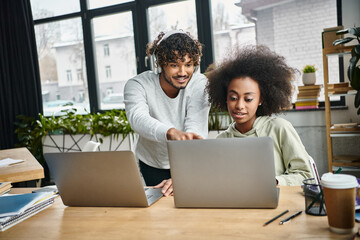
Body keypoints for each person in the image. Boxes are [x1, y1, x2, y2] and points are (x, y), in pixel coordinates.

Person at [206, 45, 312, 186]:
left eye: (248, 99)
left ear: (261, 99)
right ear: (225, 98)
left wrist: (275, 181)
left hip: (279, 204)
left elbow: (305, 175)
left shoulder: (279, 128)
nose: (239, 105)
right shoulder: (221, 140)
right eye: (233, 97)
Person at [124, 30, 210, 195]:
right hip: (153, 163)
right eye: (174, 65)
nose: (182, 72)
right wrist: (170, 133)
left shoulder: (200, 84)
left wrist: (184, 172)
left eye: (188, 64)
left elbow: (195, 127)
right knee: (161, 211)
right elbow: (138, 118)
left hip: (189, 160)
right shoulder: (137, 84)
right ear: (160, 63)